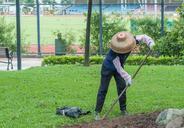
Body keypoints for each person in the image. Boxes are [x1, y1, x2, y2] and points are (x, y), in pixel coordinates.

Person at [94, 31, 155, 120]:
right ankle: (97, 112)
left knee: (122, 87)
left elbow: (143, 37)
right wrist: (128, 77)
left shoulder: (130, 41)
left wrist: (150, 43)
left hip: (119, 66)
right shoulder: (114, 52)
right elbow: (118, 68)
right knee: (103, 89)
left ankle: (123, 110)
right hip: (108, 67)